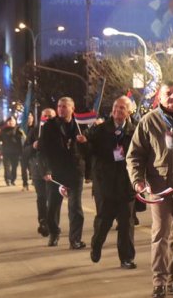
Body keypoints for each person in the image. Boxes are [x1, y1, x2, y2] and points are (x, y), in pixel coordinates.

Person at [127, 82, 173, 298]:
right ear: (159, 97)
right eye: (168, 94)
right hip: (159, 189)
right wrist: (138, 181)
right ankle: (159, 281)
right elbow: (134, 155)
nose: (172, 97)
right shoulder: (149, 121)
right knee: (160, 235)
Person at [86, 96, 138, 268]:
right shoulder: (99, 130)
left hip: (126, 184)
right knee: (104, 221)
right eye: (116, 107)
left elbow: (142, 154)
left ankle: (126, 258)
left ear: (129, 111)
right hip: (105, 183)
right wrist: (82, 144)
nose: (118, 110)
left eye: (122, 108)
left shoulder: (135, 131)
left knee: (126, 223)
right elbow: (88, 151)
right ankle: (96, 246)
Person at [39, 98, 88, 249]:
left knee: (75, 208)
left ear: (72, 108)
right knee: (52, 207)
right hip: (56, 172)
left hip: (75, 172)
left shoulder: (81, 126)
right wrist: (46, 170)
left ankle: (75, 240)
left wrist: (84, 142)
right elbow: (43, 150)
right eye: (59, 106)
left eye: (64, 107)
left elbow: (89, 151)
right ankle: (54, 232)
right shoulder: (49, 126)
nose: (61, 109)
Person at [27, 109, 54, 235]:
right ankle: (43, 221)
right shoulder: (34, 131)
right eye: (45, 116)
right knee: (42, 197)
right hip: (38, 171)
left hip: (54, 171)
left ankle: (52, 223)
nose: (47, 118)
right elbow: (25, 151)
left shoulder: (59, 131)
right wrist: (33, 146)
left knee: (52, 198)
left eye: (50, 116)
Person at [0, 117, 25, 187]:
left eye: (12, 121)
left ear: (15, 122)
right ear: (7, 122)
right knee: (6, 167)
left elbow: (22, 139)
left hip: (15, 152)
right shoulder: (3, 130)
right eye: (9, 121)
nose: (11, 122)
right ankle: (7, 179)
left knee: (14, 167)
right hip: (6, 151)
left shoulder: (19, 130)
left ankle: (13, 179)